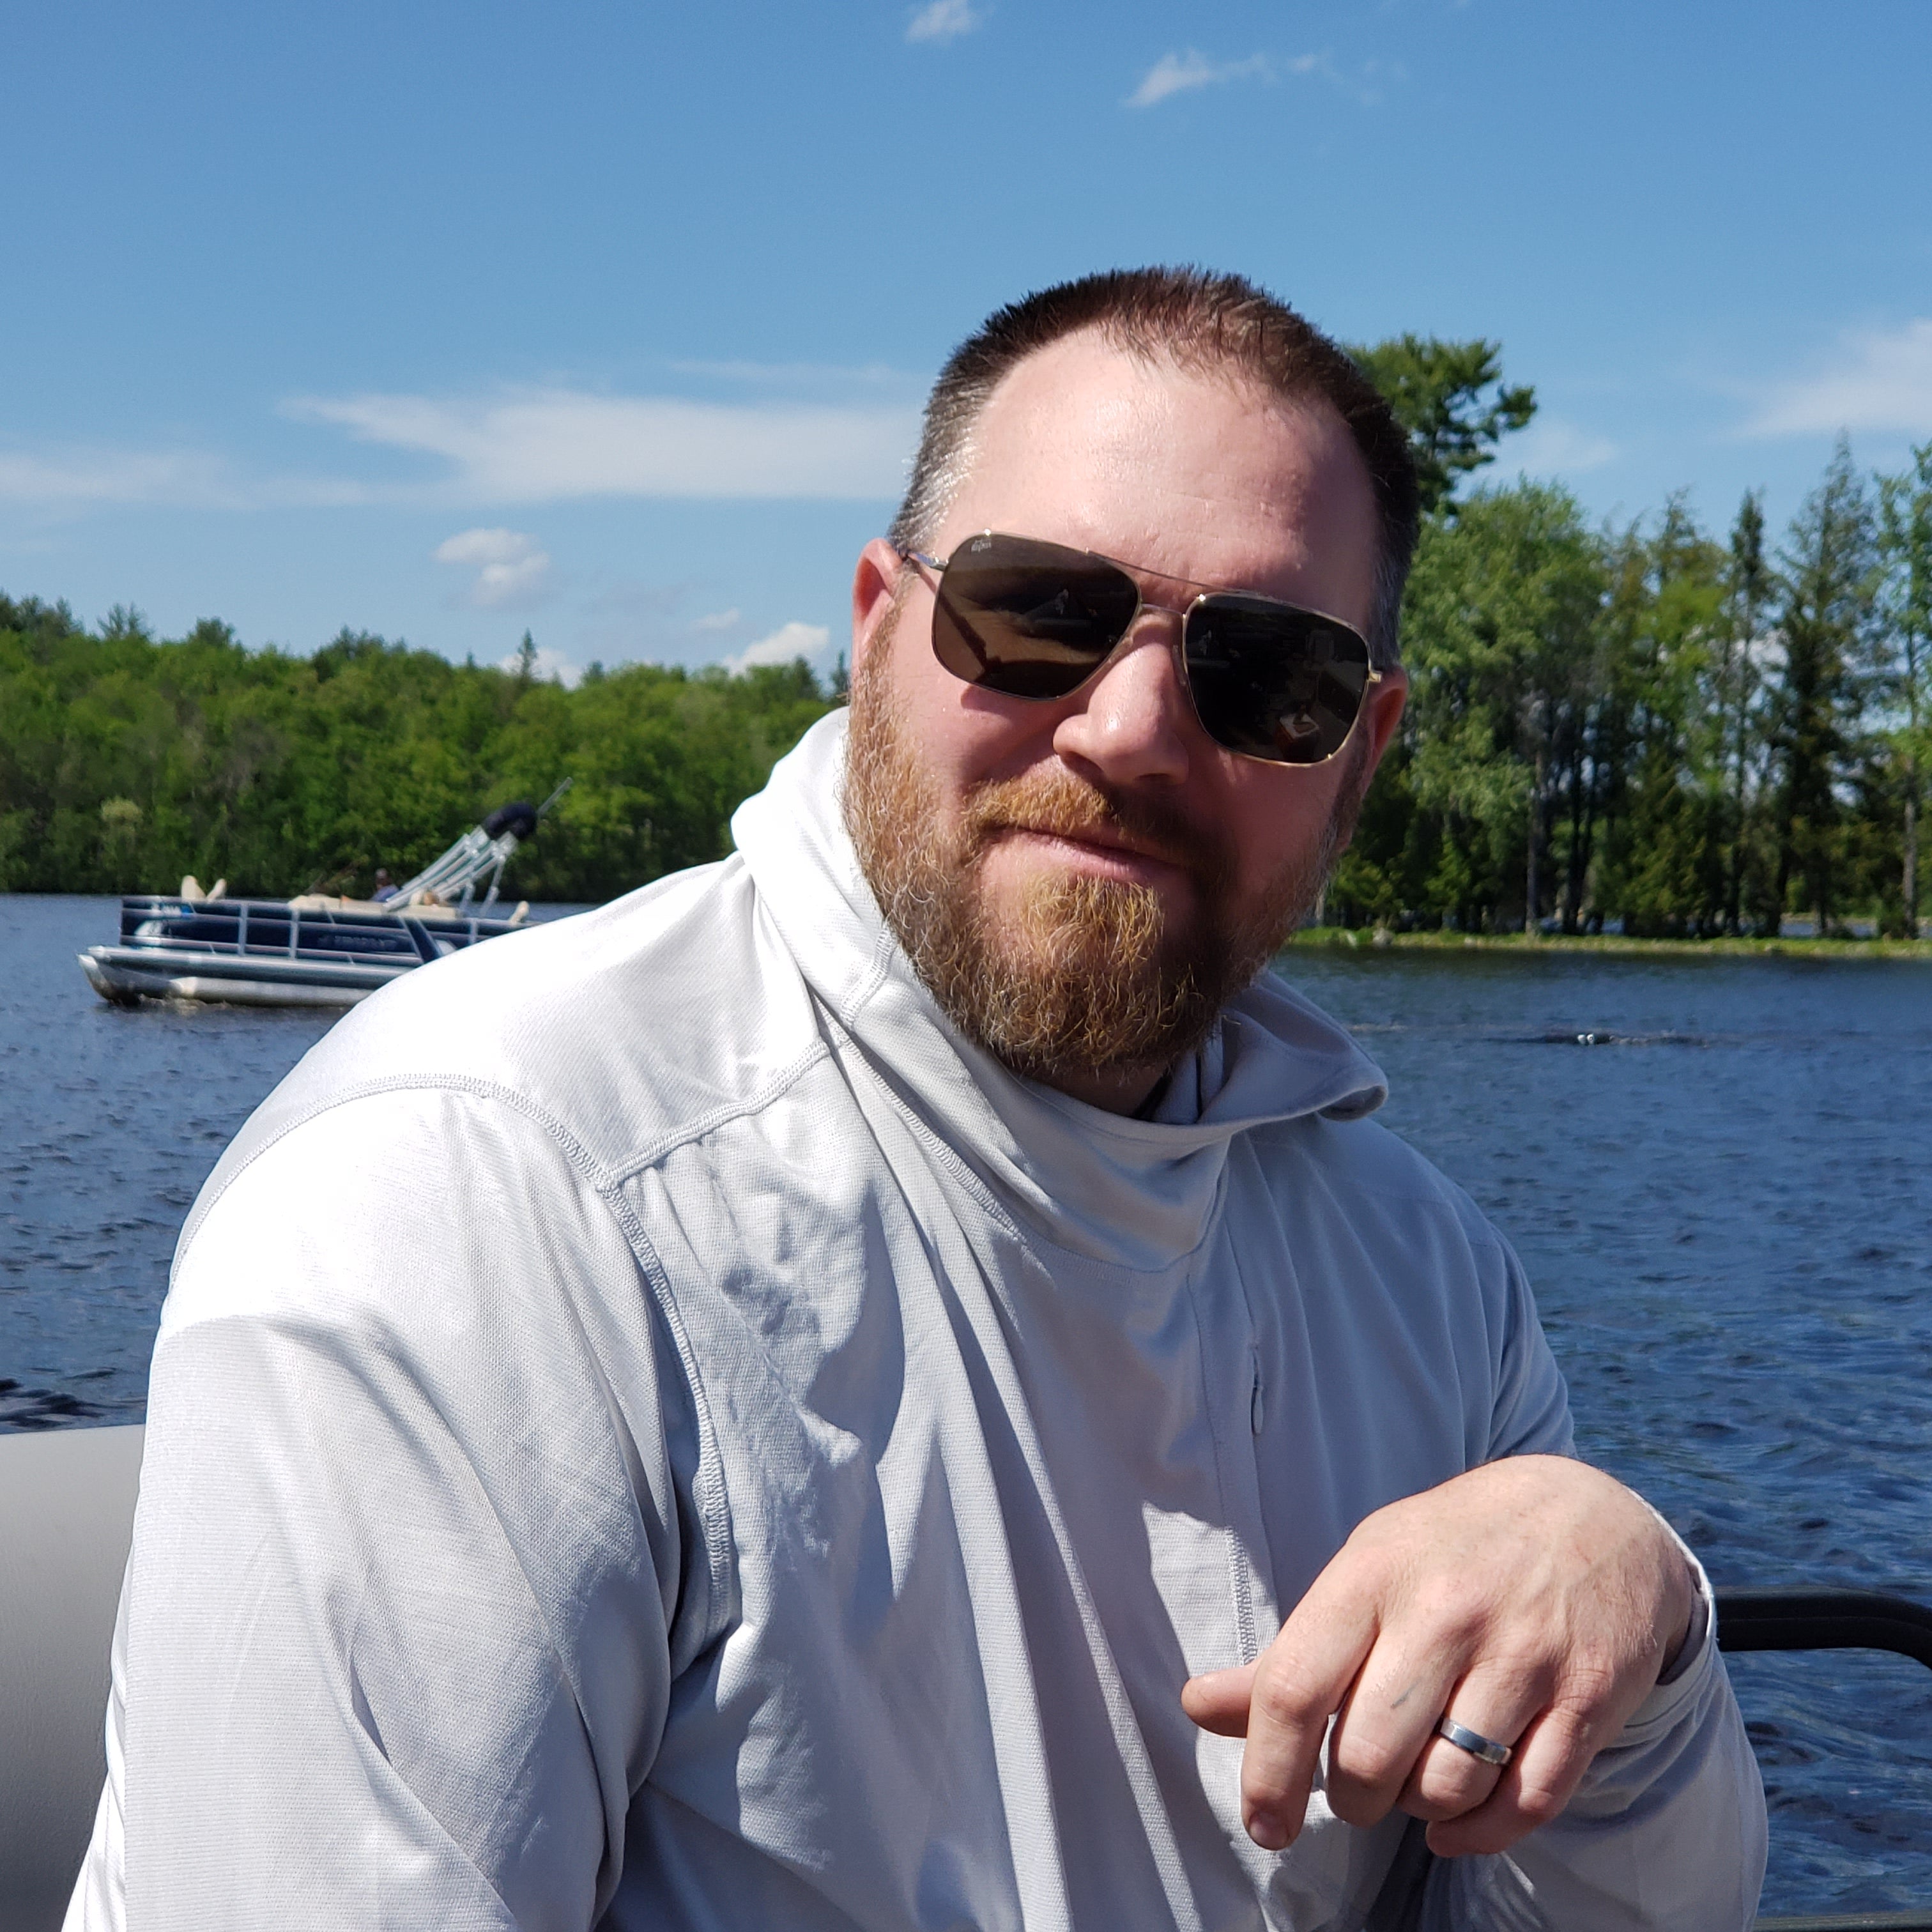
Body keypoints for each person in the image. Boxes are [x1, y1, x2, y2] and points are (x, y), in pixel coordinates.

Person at [68, 268, 1765, 1931]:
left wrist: (1642, 1623)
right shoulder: (485, 1186)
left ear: (1362, 753)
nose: (1130, 730)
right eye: (1042, 612)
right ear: (878, 628)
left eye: (1269, 679)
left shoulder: (1430, 1283)